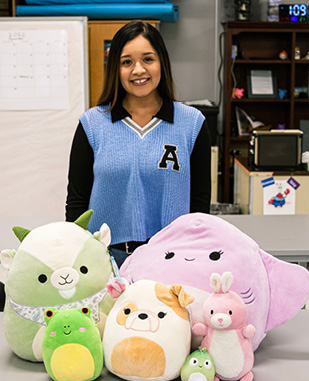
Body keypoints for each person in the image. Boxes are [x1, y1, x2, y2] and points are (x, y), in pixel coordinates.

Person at [65, 20, 211, 267]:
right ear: (116, 69)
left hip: (170, 259)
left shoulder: (192, 124)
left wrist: (195, 258)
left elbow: (200, 205)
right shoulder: (92, 124)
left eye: (148, 59)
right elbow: (77, 202)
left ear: (162, 63)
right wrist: (76, 257)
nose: (138, 70)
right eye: (127, 62)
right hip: (104, 261)